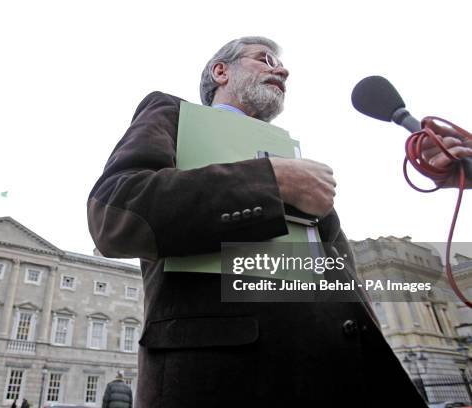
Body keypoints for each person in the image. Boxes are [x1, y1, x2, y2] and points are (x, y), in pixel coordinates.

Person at [87, 36, 428, 407]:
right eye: (265, 60)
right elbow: (116, 212)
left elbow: (342, 278)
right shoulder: (173, 114)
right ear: (221, 71)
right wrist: (272, 181)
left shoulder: (296, 158)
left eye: (281, 66)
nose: (281, 70)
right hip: (217, 380)